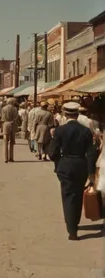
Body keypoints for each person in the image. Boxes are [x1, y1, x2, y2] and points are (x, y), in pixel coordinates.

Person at [49, 102, 98, 240]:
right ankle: (74, 222)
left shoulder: (60, 130)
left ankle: (72, 229)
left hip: (65, 165)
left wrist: (59, 163)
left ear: (65, 114)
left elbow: (52, 152)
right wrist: (91, 172)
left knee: (67, 196)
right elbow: (91, 153)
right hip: (81, 165)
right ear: (77, 114)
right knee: (77, 195)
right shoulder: (86, 131)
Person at [1, 98, 19, 163]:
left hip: (6, 124)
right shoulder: (15, 109)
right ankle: (11, 157)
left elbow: (3, 119)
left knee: (5, 142)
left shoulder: (4, 108)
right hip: (13, 124)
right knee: (12, 142)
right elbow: (17, 117)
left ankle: (5, 158)